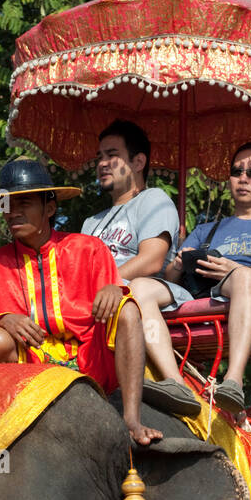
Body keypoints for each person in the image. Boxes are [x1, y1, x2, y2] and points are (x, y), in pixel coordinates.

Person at [0, 158, 162, 446]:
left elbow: (117, 304)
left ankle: (131, 419)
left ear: (50, 207)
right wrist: (3, 319)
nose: (13, 212)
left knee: (129, 310)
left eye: (24, 203)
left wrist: (115, 290)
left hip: (91, 361)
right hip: (27, 369)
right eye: (7, 204)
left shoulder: (89, 249)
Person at [162, 142, 251, 416]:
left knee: (247, 278)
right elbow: (169, 276)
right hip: (202, 297)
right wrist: (181, 262)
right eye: (236, 171)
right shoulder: (206, 229)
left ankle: (233, 381)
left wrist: (234, 269)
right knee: (142, 288)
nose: (242, 178)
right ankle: (170, 380)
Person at [81, 119, 199, 416]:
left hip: (149, 291)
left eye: (111, 155)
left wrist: (108, 284)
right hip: (101, 303)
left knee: (135, 289)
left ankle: (175, 383)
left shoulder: (154, 200)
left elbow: (152, 259)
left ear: (138, 161)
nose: (102, 163)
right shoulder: (90, 223)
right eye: (99, 157)